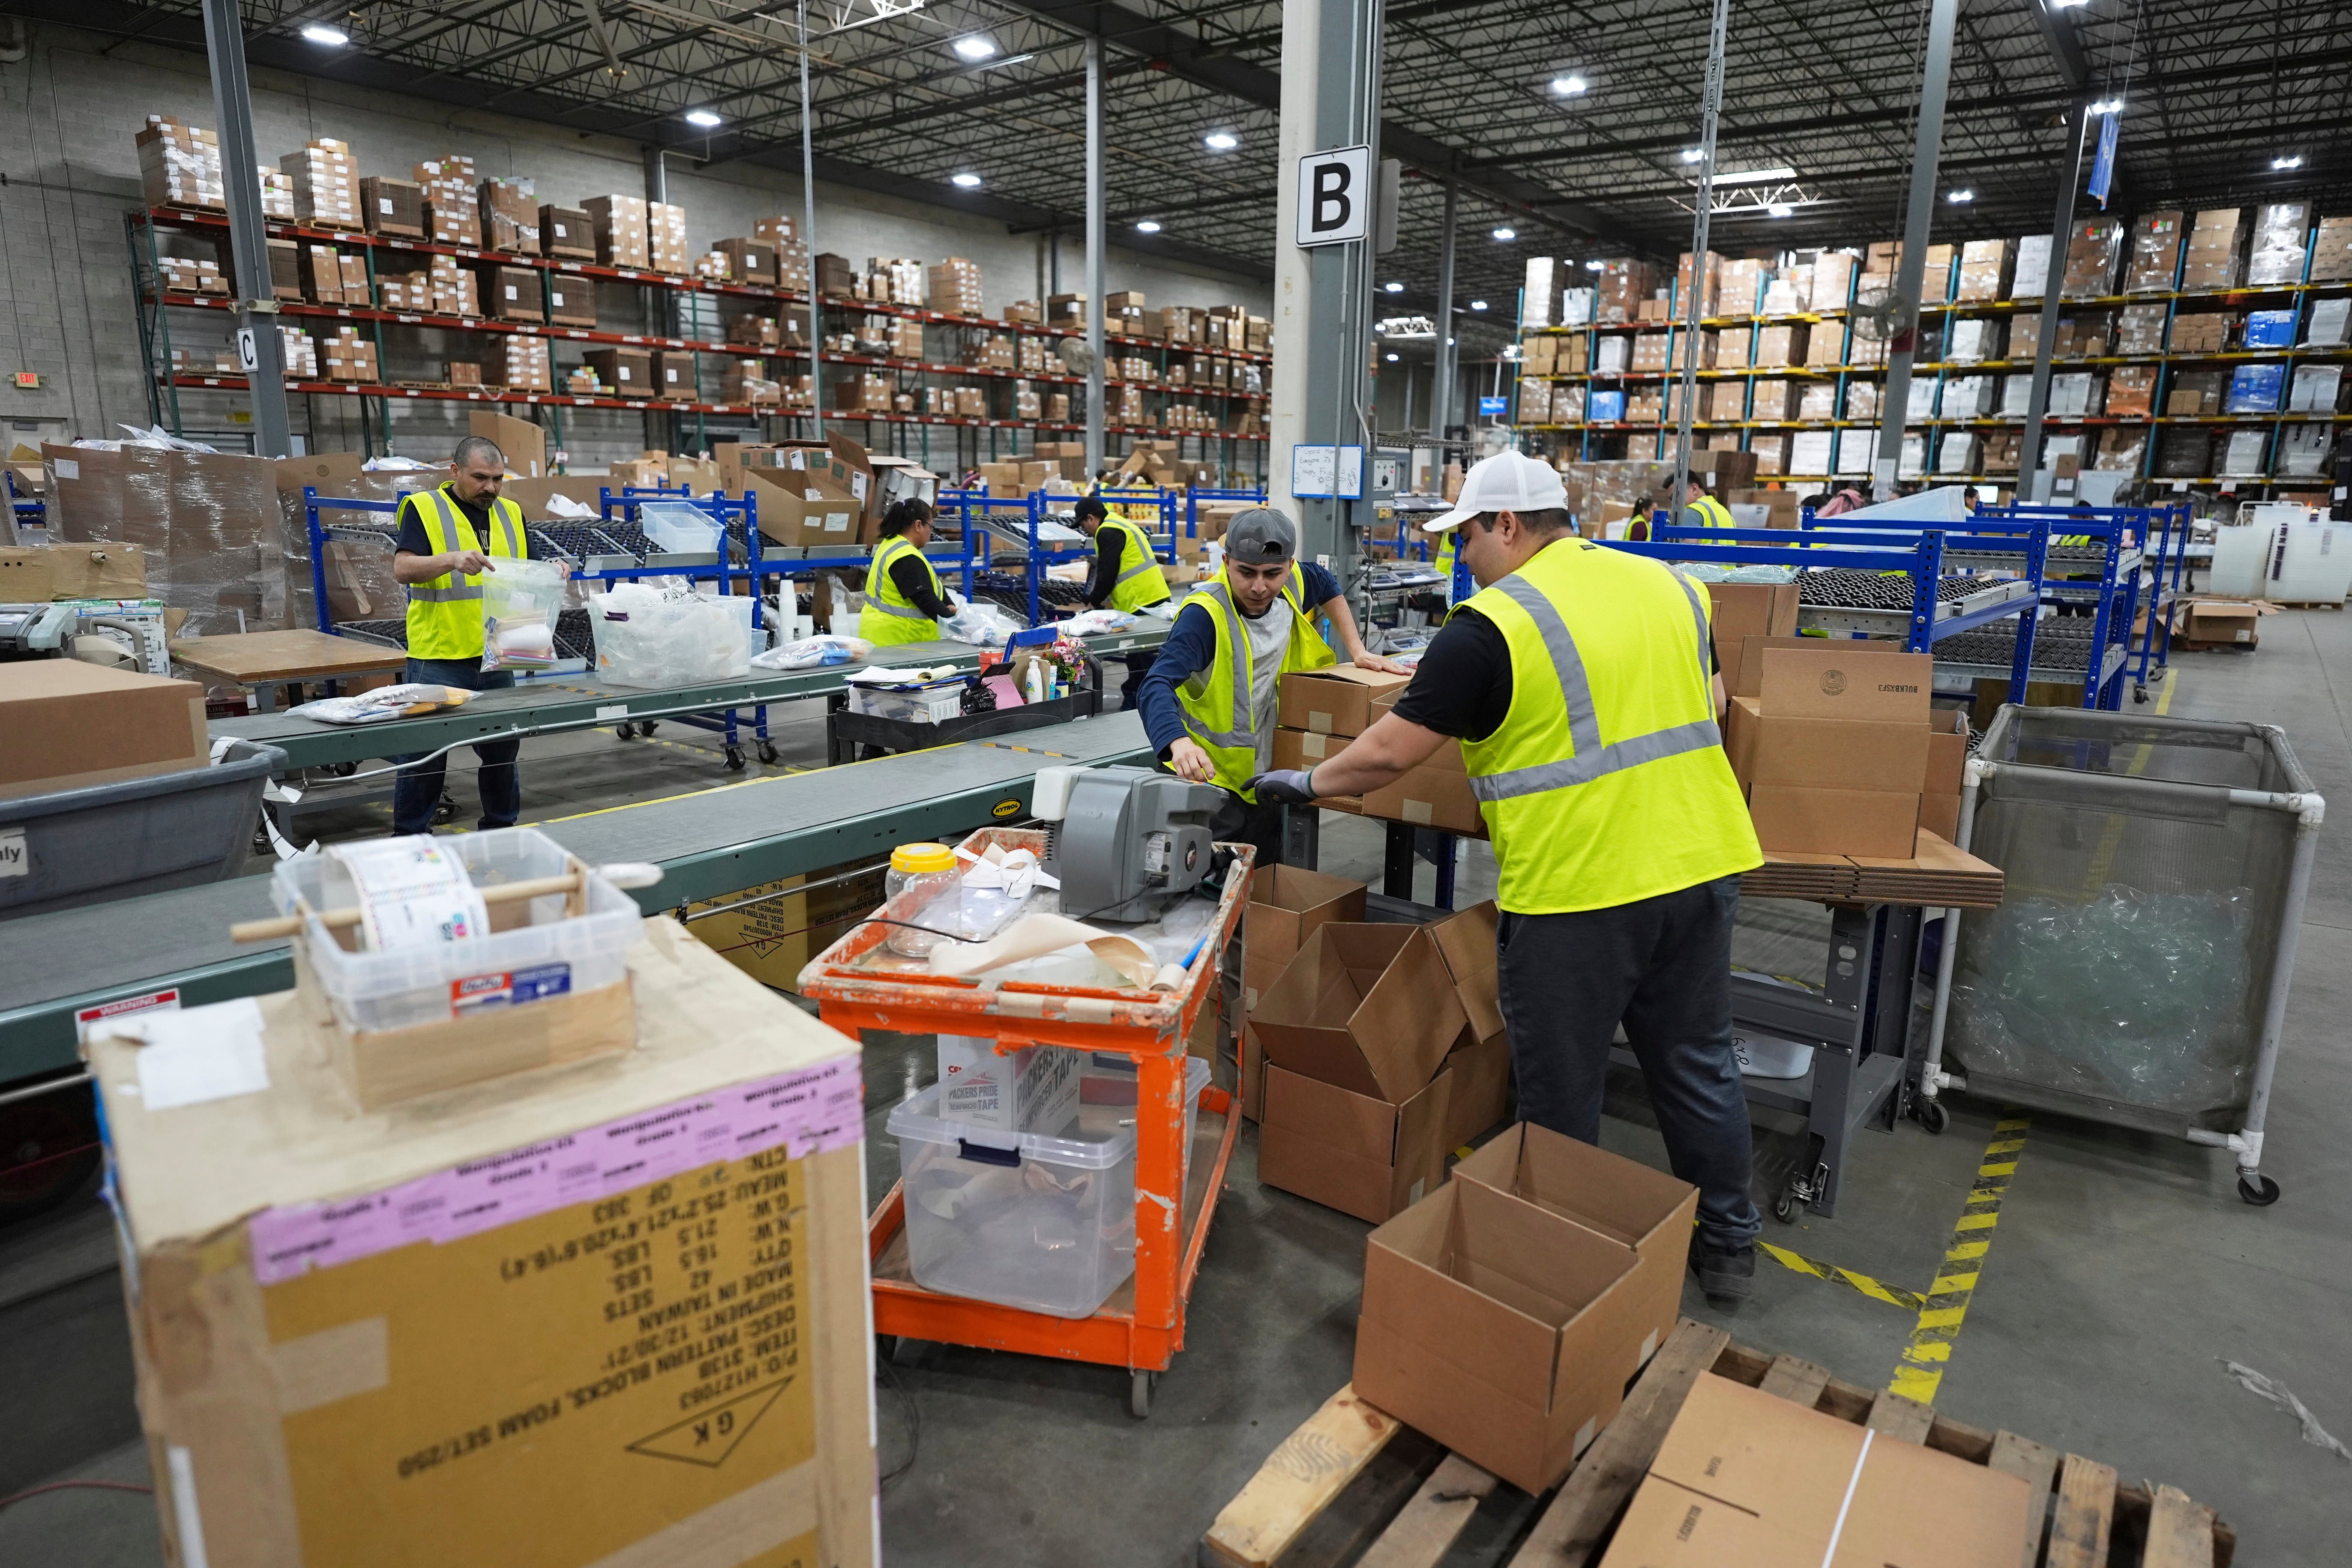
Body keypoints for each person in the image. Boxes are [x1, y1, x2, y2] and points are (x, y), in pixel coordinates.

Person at [1248, 451, 1768, 1308]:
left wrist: (1301, 783)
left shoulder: (1490, 625)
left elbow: (1383, 757)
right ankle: (1727, 1247)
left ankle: (1556, 1270)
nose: (1462, 559)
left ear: (1507, 526)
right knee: (1694, 1061)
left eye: (1468, 538)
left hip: (1578, 892)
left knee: (1560, 1090)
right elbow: (1708, 703)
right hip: (1699, 865)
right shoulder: (1673, 588)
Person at [1137, 507, 1409, 867]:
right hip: (1208, 786)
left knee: (1262, 884)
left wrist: (1356, 649)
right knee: (1208, 891)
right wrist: (1178, 742)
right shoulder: (1205, 617)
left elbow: (1326, 582)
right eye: (1246, 573)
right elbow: (1154, 685)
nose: (1259, 587)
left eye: (1272, 574)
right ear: (1227, 561)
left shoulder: (1295, 582)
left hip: (1266, 778)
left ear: (1290, 566)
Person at [389, 435, 568, 835]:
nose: (490, 487)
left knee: (503, 753)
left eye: (498, 479)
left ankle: (501, 831)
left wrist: (553, 568)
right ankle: (410, 841)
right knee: (424, 756)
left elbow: (529, 569)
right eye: (480, 478)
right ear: (455, 472)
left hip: (498, 655)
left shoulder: (510, 512)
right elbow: (403, 569)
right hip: (439, 657)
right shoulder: (424, 508)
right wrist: (451, 560)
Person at [1072, 494, 1172, 709]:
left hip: (1142, 602)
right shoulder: (1121, 523)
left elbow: (1107, 573)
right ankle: (1138, 704)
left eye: (1082, 525)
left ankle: (1141, 707)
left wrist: (1092, 604)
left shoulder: (1107, 531)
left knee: (1143, 661)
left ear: (1091, 518)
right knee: (1141, 659)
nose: (1084, 530)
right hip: (1153, 597)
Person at [859, 498, 956, 646]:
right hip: (898, 642)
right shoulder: (905, 556)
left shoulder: (895, 545)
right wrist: (959, 626)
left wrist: (948, 604)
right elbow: (925, 599)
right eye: (931, 527)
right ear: (918, 525)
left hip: (893, 639)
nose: (931, 532)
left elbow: (929, 585)